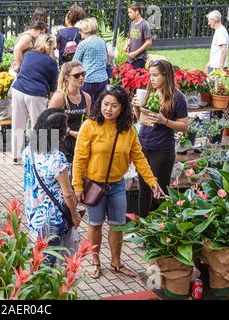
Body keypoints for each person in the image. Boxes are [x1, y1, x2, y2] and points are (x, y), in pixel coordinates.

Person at [72, 85, 164, 279]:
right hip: (94, 185)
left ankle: (116, 263)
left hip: (117, 186)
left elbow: (139, 158)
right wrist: (77, 185)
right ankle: (95, 262)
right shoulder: (89, 125)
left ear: (122, 108)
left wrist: (152, 181)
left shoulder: (128, 130)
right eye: (105, 104)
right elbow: (79, 158)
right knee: (95, 224)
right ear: (100, 104)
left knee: (117, 225)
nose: (109, 109)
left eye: (114, 105)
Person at [23, 108, 80, 266]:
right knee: (50, 262)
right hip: (52, 219)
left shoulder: (30, 150)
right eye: (65, 127)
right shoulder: (57, 157)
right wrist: (75, 216)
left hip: (34, 213)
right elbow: (68, 193)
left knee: (39, 258)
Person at [132, 60, 188, 218]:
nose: (151, 78)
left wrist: (165, 121)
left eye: (155, 75)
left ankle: (161, 231)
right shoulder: (150, 92)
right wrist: (136, 108)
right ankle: (142, 228)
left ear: (166, 75)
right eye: (150, 75)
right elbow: (142, 121)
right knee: (143, 190)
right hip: (144, 145)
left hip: (162, 150)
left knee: (161, 191)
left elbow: (184, 126)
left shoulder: (178, 97)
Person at [11, 34, 58, 165]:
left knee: (17, 124)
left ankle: (16, 157)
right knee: (38, 125)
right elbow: (53, 87)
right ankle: (38, 157)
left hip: (18, 89)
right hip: (36, 94)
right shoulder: (52, 62)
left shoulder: (28, 55)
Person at [48, 61, 91, 164]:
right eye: (76, 75)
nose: (81, 78)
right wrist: (70, 132)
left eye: (83, 74)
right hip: (62, 142)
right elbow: (49, 122)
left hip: (80, 142)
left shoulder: (86, 97)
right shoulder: (59, 97)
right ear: (67, 77)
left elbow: (88, 120)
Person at [73, 18, 108, 108]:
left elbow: (74, 63)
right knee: (98, 107)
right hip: (102, 79)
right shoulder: (102, 42)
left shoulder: (83, 44)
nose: (79, 32)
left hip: (88, 79)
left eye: (80, 30)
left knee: (86, 107)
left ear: (86, 30)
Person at [125, 3, 152, 69]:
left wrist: (135, 53)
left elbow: (149, 42)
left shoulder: (145, 24)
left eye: (130, 12)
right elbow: (130, 38)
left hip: (140, 59)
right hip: (130, 58)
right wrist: (126, 45)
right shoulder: (132, 23)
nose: (129, 14)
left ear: (137, 12)